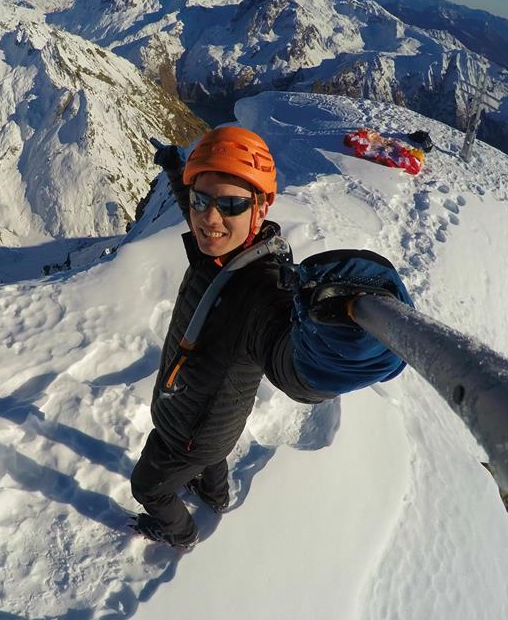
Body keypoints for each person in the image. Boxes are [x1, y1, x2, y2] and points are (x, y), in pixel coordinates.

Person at [130, 126, 412, 549]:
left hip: (187, 432)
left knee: (148, 487)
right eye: (201, 200)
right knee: (212, 460)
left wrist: (348, 341)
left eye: (230, 204)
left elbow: (294, 366)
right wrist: (175, 169)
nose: (209, 218)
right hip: (212, 425)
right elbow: (195, 200)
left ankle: (180, 535)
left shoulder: (260, 291)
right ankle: (214, 495)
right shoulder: (221, 251)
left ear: (260, 208)